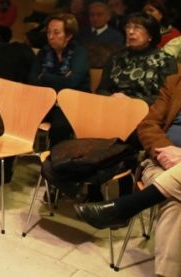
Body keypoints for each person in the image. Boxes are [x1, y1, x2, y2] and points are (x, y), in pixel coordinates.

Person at [76, 74, 181, 277]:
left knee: (174, 201)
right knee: (175, 200)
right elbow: (148, 124)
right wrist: (166, 150)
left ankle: (125, 207)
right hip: (161, 162)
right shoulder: (175, 82)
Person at [29, 13, 90, 147]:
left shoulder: (79, 53)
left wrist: (45, 77)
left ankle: (54, 163)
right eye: (49, 32)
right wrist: (61, 79)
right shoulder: (43, 52)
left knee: (59, 126)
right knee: (17, 117)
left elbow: (73, 82)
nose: (51, 37)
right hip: (45, 101)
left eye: (56, 33)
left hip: (72, 103)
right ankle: (5, 165)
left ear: (68, 36)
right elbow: (33, 80)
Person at [97, 12, 177, 106]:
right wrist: (112, 99)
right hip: (113, 107)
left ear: (150, 35)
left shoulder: (165, 60)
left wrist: (130, 101)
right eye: (128, 27)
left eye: (137, 28)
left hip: (147, 112)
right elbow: (101, 89)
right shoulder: (116, 57)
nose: (130, 32)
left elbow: (166, 97)